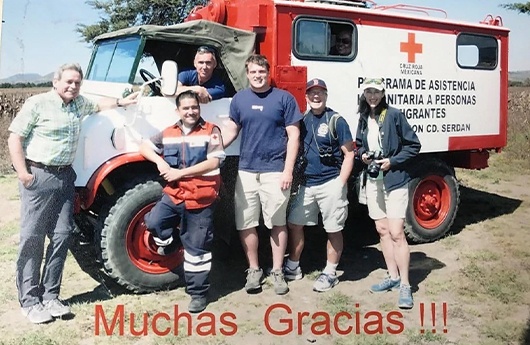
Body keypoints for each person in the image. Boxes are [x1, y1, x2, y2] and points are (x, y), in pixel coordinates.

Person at [8, 62, 138, 324]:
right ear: (55, 82)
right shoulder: (38, 103)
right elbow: (14, 137)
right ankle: (30, 301)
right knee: (33, 238)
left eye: (77, 82)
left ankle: (51, 296)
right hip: (39, 175)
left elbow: (101, 105)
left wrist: (123, 102)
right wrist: (23, 173)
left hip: (65, 177)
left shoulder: (78, 103)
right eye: (68, 81)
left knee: (62, 236)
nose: (72, 86)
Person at [222, 54, 302, 295]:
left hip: (275, 171)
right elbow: (232, 129)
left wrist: (288, 170)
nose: (257, 76)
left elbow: (294, 136)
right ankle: (254, 270)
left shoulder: (284, 99)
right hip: (246, 170)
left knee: (277, 223)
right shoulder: (239, 99)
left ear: (268, 73)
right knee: (246, 223)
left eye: (261, 72)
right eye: (253, 72)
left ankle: (277, 271)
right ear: (247, 74)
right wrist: (213, 148)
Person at [139, 90, 225, 313]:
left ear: (199, 108)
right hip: (175, 195)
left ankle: (198, 294)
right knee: (154, 223)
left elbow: (214, 162)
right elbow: (144, 147)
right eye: (186, 108)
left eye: (194, 107)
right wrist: (160, 162)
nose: (191, 111)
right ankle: (170, 242)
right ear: (178, 110)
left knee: (198, 249)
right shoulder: (169, 132)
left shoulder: (211, 131)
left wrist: (180, 173)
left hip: (201, 197)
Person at [355, 77, 421, 309]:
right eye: (368, 92)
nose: (372, 96)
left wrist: (392, 161)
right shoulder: (364, 117)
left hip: (395, 180)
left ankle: (405, 285)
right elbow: (358, 144)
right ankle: (392, 277)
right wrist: (363, 154)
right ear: (364, 94)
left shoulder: (394, 115)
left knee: (396, 232)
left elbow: (414, 145)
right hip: (374, 181)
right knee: (382, 230)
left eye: (376, 92)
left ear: (383, 94)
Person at [285, 78, 355, 292]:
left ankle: (330, 272)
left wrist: (340, 184)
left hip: (330, 182)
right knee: (295, 224)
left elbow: (349, 154)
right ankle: (293, 266)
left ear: (326, 96)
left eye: (320, 92)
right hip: (307, 184)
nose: (316, 96)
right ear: (305, 97)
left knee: (333, 229)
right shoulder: (302, 120)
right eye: (312, 93)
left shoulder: (336, 120)